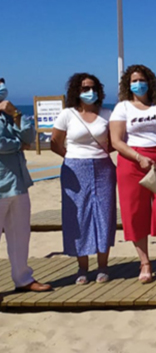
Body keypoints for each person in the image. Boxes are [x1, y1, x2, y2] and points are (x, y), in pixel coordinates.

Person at [109, 65, 156, 283]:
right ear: (127, 85)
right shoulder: (122, 108)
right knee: (135, 212)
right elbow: (116, 141)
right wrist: (138, 158)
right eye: (133, 81)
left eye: (141, 80)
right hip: (132, 162)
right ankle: (144, 262)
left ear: (150, 82)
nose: (138, 84)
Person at [51, 73, 116, 284]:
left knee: (104, 214)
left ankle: (103, 266)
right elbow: (55, 142)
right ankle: (82, 267)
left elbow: (115, 141)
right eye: (85, 88)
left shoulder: (107, 113)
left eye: (93, 88)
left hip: (103, 167)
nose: (90, 92)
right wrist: (71, 158)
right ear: (76, 92)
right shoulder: (67, 114)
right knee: (78, 216)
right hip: (74, 168)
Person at [0, 77, 52, 293]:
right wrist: (20, 144)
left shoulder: (10, 114)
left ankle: (23, 278)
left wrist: (16, 114)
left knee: (20, 234)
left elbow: (30, 135)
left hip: (18, 183)